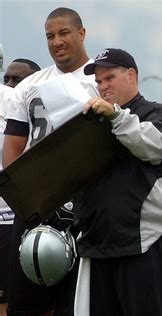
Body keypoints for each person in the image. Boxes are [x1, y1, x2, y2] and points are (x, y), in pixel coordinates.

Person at [70, 47, 162, 316]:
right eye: (98, 82)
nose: (103, 86)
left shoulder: (158, 114)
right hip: (96, 244)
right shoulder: (93, 120)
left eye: (109, 78)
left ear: (131, 75)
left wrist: (116, 117)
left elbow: (155, 146)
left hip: (142, 245)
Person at [2, 7, 98, 316]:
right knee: (25, 300)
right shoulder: (31, 85)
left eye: (64, 33)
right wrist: (25, 200)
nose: (56, 42)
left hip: (85, 206)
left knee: (76, 303)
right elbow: (13, 148)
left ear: (81, 33)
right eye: (49, 36)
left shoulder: (102, 78)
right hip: (37, 206)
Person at [0, 59, 39, 316]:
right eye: (8, 79)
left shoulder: (33, 115)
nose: (12, 85)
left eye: (19, 80)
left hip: (12, 219)